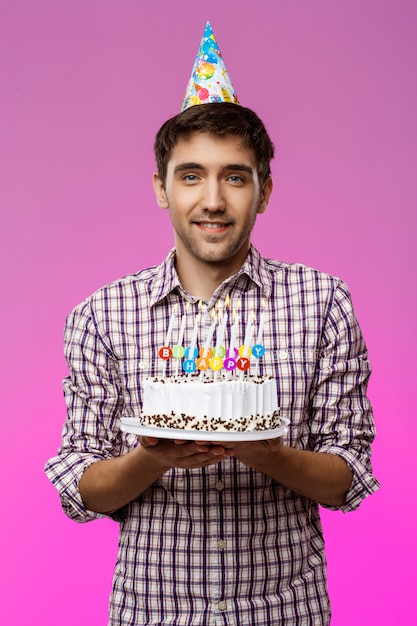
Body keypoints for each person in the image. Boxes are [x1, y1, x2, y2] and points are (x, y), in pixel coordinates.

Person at [46, 24, 379, 626]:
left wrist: (266, 452)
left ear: (264, 190)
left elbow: (348, 479)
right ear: (161, 187)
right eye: (191, 175)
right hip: (153, 612)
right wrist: (153, 456)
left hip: (286, 612)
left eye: (235, 175)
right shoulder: (101, 315)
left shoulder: (323, 302)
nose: (213, 201)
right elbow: (79, 490)